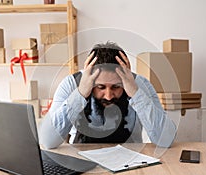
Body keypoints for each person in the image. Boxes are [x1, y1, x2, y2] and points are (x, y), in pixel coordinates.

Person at [39, 42, 176, 148]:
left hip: (130, 160)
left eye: (116, 87)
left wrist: (135, 92)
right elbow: (48, 141)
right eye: (100, 87)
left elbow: (165, 140)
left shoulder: (139, 84)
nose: (109, 96)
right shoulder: (71, 84)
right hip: (81, 160)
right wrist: (80, 93)